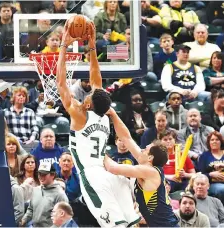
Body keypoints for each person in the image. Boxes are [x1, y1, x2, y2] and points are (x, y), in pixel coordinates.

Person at [56, 21, 140, 227]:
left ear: (88, 102)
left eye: (89, 95)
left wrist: (65, 46)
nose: (89, 92)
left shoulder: (79, 115)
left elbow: (60, 83)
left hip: (94, 177)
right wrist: (92, 45)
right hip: (112, 173)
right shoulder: (105, 114)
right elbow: (97, 79)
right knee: (132, 224)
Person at [103, 107, 179, 227]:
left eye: (145, 149)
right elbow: (126, 138)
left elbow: (113, 168)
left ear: (150, 158)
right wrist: (113, 114)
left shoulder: (150, 171)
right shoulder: (148, 166)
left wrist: (98, 148)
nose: (142, 149)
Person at [20, 163, 68, 227]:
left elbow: (62, 220)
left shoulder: (60, 194)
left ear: (52, 175)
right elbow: (31, 209)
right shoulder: (35, 190)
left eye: (44, 174)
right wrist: (23, 221)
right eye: (39, 174)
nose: (41, 176)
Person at [198, 131, 224, 203]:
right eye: (212, 140)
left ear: (221, 141)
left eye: (217, 139)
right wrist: (210, 174)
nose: (214, 142)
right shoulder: (204, 156)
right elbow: (200, 175)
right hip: (212, 184)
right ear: (209, 142)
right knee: (222, 189)